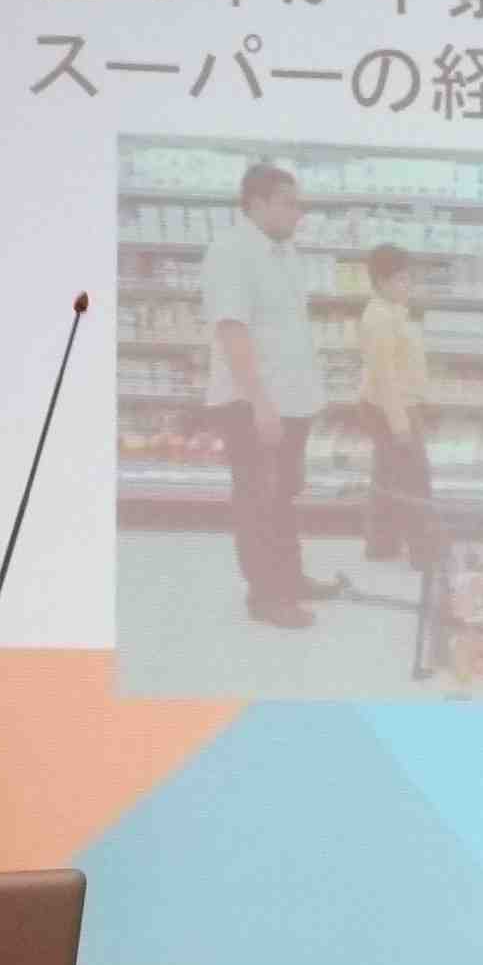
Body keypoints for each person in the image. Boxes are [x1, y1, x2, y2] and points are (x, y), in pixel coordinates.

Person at [200, 162, 340, 629]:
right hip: (253, 404)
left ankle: (290, 579)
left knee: (282, 496)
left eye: (299, 204)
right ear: (256, 203)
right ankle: (265, 597)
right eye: (288, 203)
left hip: (292, 401)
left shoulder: (285, 252)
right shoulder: (231, 252)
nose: (298, 212)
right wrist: (260, 403)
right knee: (258, 501)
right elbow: (233, 331)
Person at [357, 243, 433, 564]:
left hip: (390, 404)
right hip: (392, 407)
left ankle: (381, 544)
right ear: (381, 282)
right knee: (415, 479)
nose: (408, 285)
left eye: (409, 278)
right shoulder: (380, 320)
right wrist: (400, 424)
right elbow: (385, 377)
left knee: (387, 476)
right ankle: (423, 551)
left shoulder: (393, 311)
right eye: (401, 279)